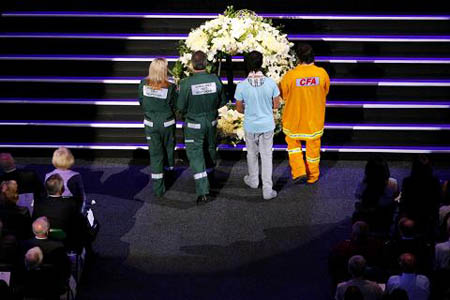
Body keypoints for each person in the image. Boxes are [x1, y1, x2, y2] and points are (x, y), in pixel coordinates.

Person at [176, 50, 227, 204]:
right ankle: (211, 180)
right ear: (206, 63)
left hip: (194, 125)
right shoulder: (215, 80)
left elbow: (180, 107)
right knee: (210, 150)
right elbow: (222, 101)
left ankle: (203, 191)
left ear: (192, 64)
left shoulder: (185, 83)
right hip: (211, 122)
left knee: (196, 155)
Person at [279, 43, 330, 184]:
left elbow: (283, 95)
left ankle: (299, 171)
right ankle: (313, 175)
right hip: (314, 120)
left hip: (294, 119)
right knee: (313, 150)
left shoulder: (290, 76)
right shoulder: (322, 73)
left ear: (298, 58)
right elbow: (325, 91)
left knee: (293, 146)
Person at [234, 51, 281, 200]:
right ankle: (267, 190)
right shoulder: (271, 83)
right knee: (267, 156)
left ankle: (253, 180)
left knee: (251, 154)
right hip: (266, 125)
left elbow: (239, 108)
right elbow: (276, 105)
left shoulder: (241, 86)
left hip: (250, 125)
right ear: (261, 63)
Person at [138, 57, 178, 197]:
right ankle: (169, 174)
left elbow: (141, 102)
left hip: (150, 124)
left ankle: (158, 189)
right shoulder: (171, 87)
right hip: (167, 123)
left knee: (155, 155)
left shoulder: (143, 84)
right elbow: (176, 105)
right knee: (168, 149)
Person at [33, 174, 82, 249]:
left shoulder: (39, 203)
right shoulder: (70, 203)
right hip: (64, 236)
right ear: (62, 189)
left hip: (42, 233)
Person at [353, 155, 399, 234]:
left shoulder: (363, 184)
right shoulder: (393, 182)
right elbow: (396, 195)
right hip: (386, 212)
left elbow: (357, 196)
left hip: (368, 213)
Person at [399, 155, 441, 238]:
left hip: (412, 215)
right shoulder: (434, 181)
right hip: (429, 217)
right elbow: (437, 201)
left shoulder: (407, 181)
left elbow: (404, 201)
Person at [45, 147, 86, 212]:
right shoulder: (75, 176)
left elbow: (47, 194)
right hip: (69, 207)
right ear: (70, 160)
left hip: (53, 206)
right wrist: (81, 211)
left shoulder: (48, 175)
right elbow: (80, 196)